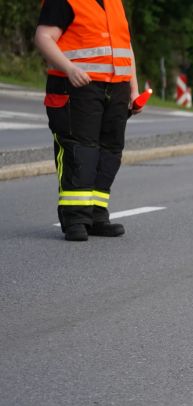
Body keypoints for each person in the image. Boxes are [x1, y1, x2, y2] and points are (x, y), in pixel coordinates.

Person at [34, 0, 141, 242]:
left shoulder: (115, 3)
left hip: (116, 88)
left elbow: (125, 47)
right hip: (76, 86)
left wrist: (134, 89)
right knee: (79, 150)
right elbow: (43, 37)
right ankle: (75, 219)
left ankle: (97, 215)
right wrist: (69, 69)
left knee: (110, 151)